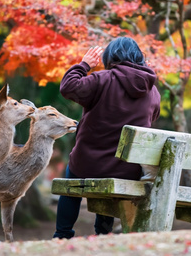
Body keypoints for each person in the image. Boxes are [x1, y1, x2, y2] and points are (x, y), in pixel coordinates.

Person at [53, 36, 161, 239]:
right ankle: (103, 233)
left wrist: (84, 64)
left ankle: (62, 234)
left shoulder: (102, 79)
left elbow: (68, 87)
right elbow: (151, 119)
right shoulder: (153, 91)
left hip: (88, 165)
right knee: (111, 165)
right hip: (127, 169)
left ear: (110, 57)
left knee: (72, 175)